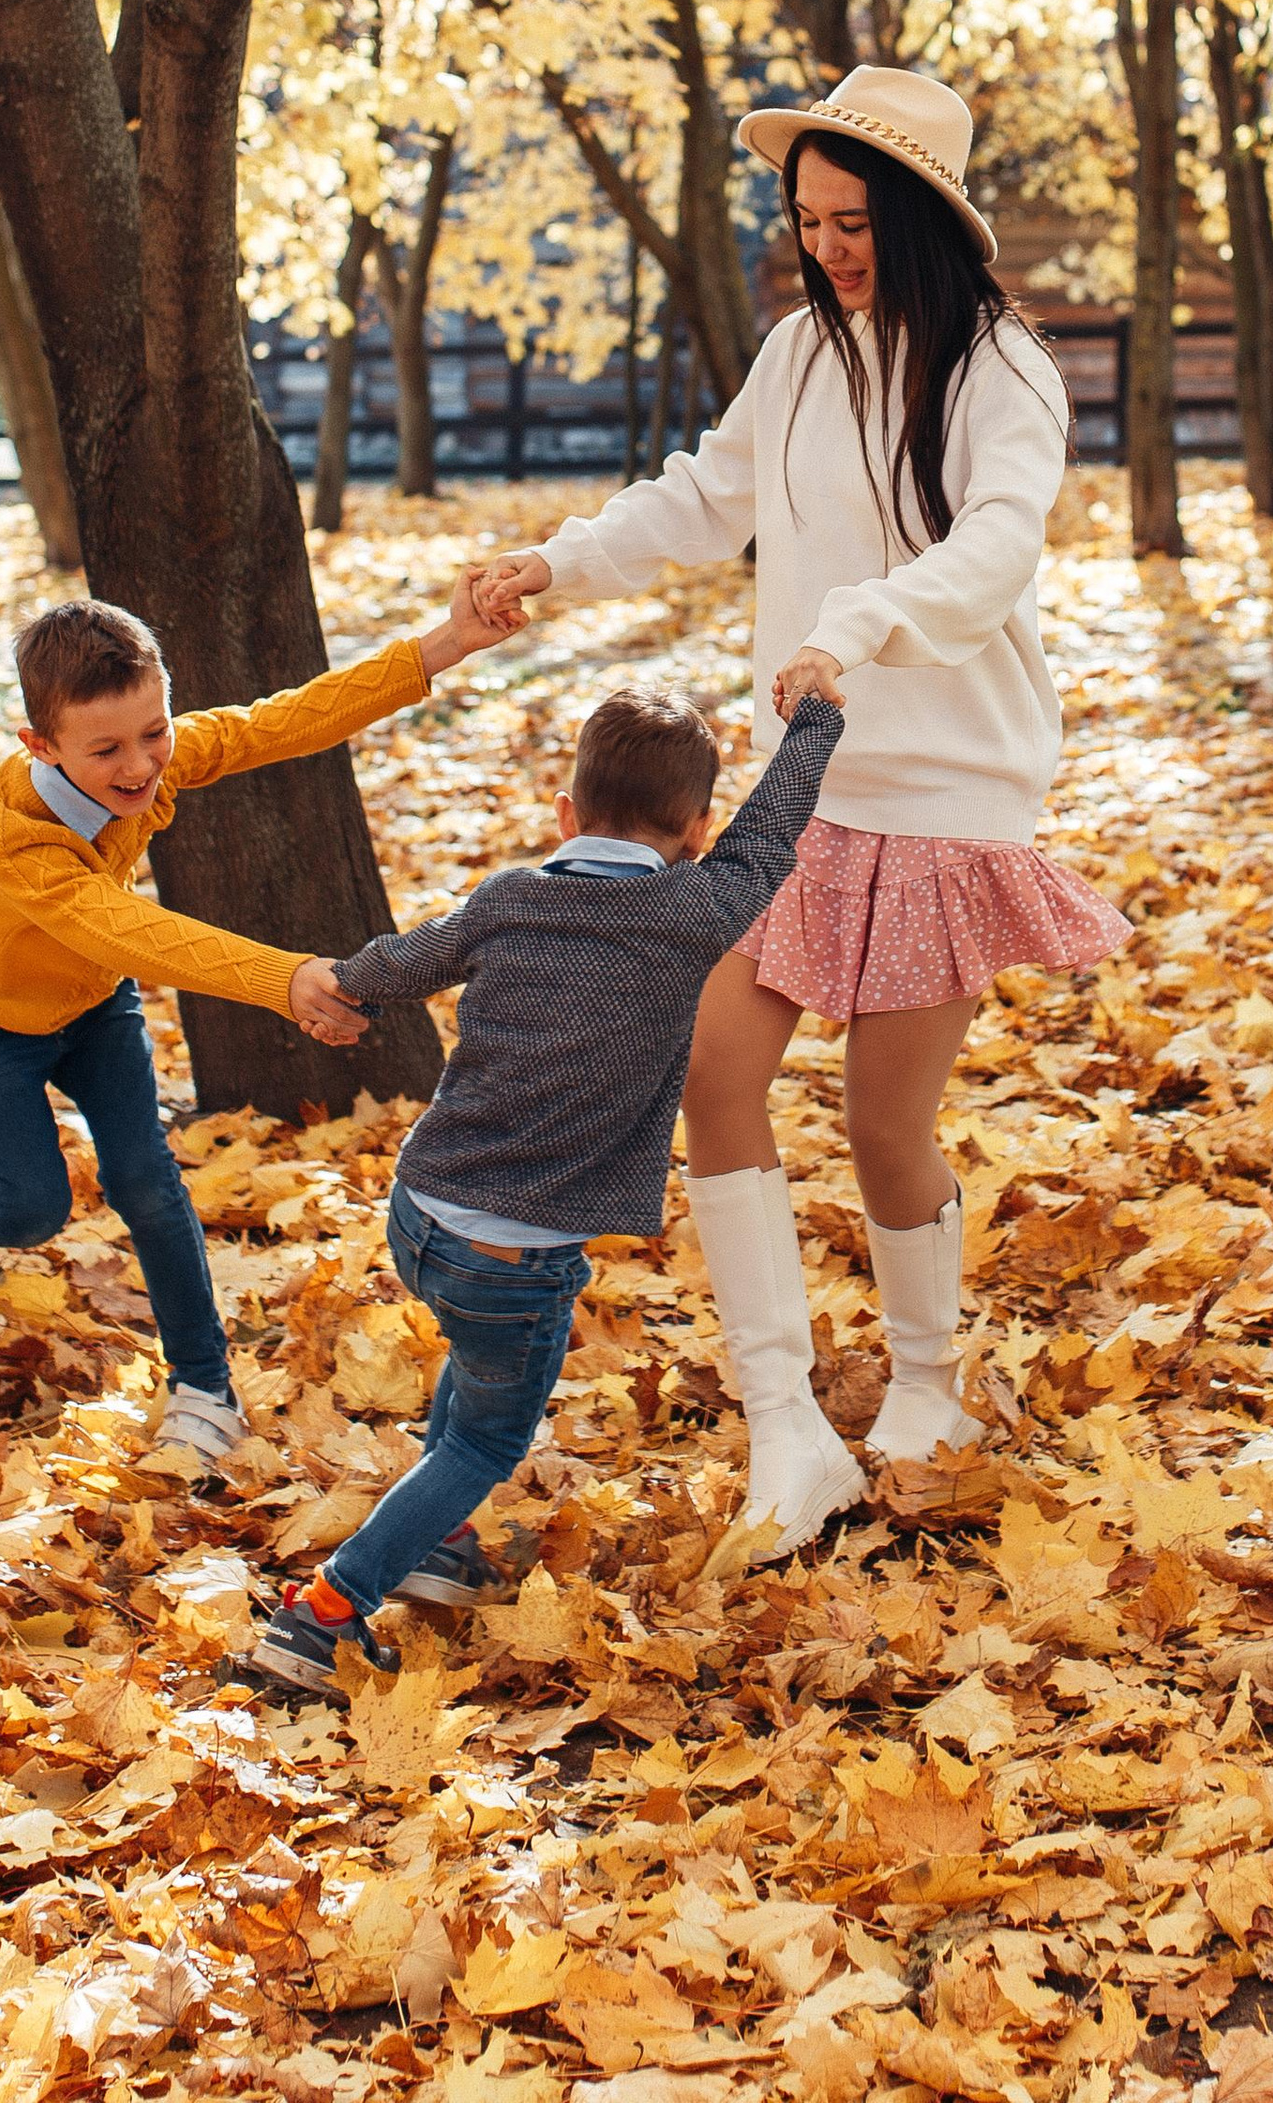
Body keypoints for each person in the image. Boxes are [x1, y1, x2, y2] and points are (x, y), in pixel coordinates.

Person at [473, 64, 1126, 1557]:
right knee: (711, 1067)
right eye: (811, 220)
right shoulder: (797, 355)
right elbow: (703, 498)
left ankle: (926, 1387)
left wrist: (864, 620)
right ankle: (786, 1427)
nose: (830, 249)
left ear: (927, 220)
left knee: (883, 1120)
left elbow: (998, 551)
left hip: (945, 792)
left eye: (857, 222)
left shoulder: (1002, 371)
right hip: (807, 792)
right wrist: (552, 567)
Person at [238, 675, 847, 1698]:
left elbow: (401, 965)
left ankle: (441, 1545)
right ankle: (326, 1614)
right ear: (695, 830)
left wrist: (335, 991)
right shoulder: (697, 904)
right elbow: (772, 829)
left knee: (470, 1390)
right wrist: (817, 721)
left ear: (565, 815)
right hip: (513, 1259)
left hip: (421, 1210)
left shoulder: (511, 895)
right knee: (483, 1437)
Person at [0, 585, 510, 1465]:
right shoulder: (15, 839)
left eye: (155, 733)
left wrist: (443, 645)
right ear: (39, 746)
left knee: (149, 1185)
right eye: (107, 750)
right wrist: (285, 978)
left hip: (91, 1004)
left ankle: (203, 1384)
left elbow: (278, 723)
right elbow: (132, 929)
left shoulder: (145, 757)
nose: (140, 766)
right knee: (31, 1208)